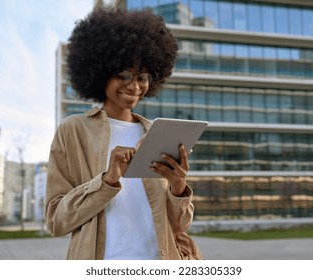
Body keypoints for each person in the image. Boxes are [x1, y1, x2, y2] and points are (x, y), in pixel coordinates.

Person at [45, 7, 202, 260]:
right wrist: (106, 181)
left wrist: (178, 186)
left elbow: (180, 225)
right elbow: (56, 221)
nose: (135, 86)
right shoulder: (73, 130)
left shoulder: (157, 133)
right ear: (101, 71)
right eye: (124, 75)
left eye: (143, 76)